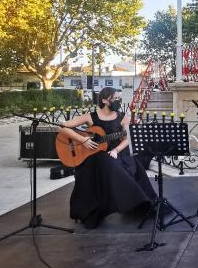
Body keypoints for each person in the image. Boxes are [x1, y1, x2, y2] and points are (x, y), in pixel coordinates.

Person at [61, 87, 158, 229]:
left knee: (113, 163)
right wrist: (82, 140)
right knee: (103, 162)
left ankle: (137, 201)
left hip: (116, 154)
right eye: (116, 98)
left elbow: (127, 139)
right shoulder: (90, 117)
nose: (119, 101)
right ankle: (94, 211)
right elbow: (62, 127)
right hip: (93, 157)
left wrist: (116, 150)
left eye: (120, 98)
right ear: (105, 100)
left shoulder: (122, 117)